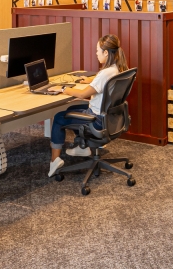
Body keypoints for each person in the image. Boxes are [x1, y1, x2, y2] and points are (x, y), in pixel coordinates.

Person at [48, 34, 129, 177]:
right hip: (110, 117)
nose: (96, 53)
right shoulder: (117, 68)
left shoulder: (104, 74)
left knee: (59, 118)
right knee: (71, 109)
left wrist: (62, 89)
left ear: (105, 52)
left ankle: (54, 161)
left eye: (97, 50)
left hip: (96, 120)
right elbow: (102, 80)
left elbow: (82, 94)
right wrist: (92, 80)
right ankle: (82, 147)